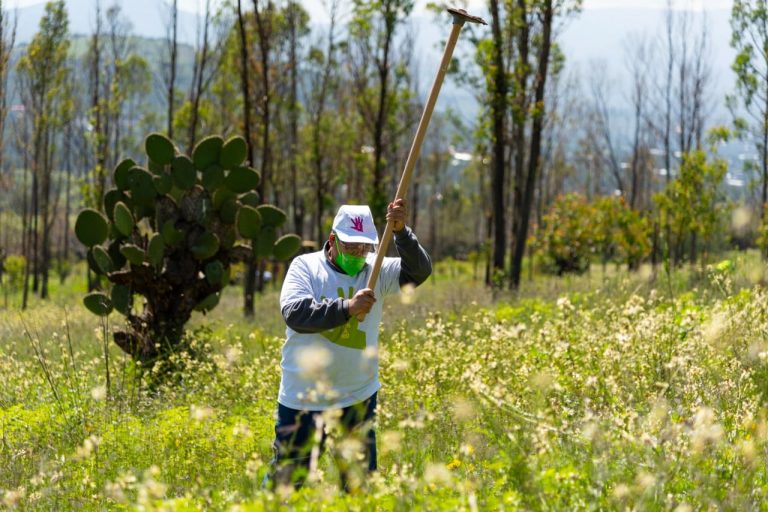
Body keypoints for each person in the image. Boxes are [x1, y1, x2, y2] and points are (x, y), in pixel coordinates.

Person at [264, 198, 432, 491]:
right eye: (351, 246)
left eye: (364, 247)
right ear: (332, 241)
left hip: (357, 396)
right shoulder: (305, 267)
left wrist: (402, 232)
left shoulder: (375, 268)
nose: (358, 253)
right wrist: (347, 308)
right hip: (303, 398)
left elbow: (418, 272)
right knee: (287, 481)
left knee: (358, 485)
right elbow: (295, 314)